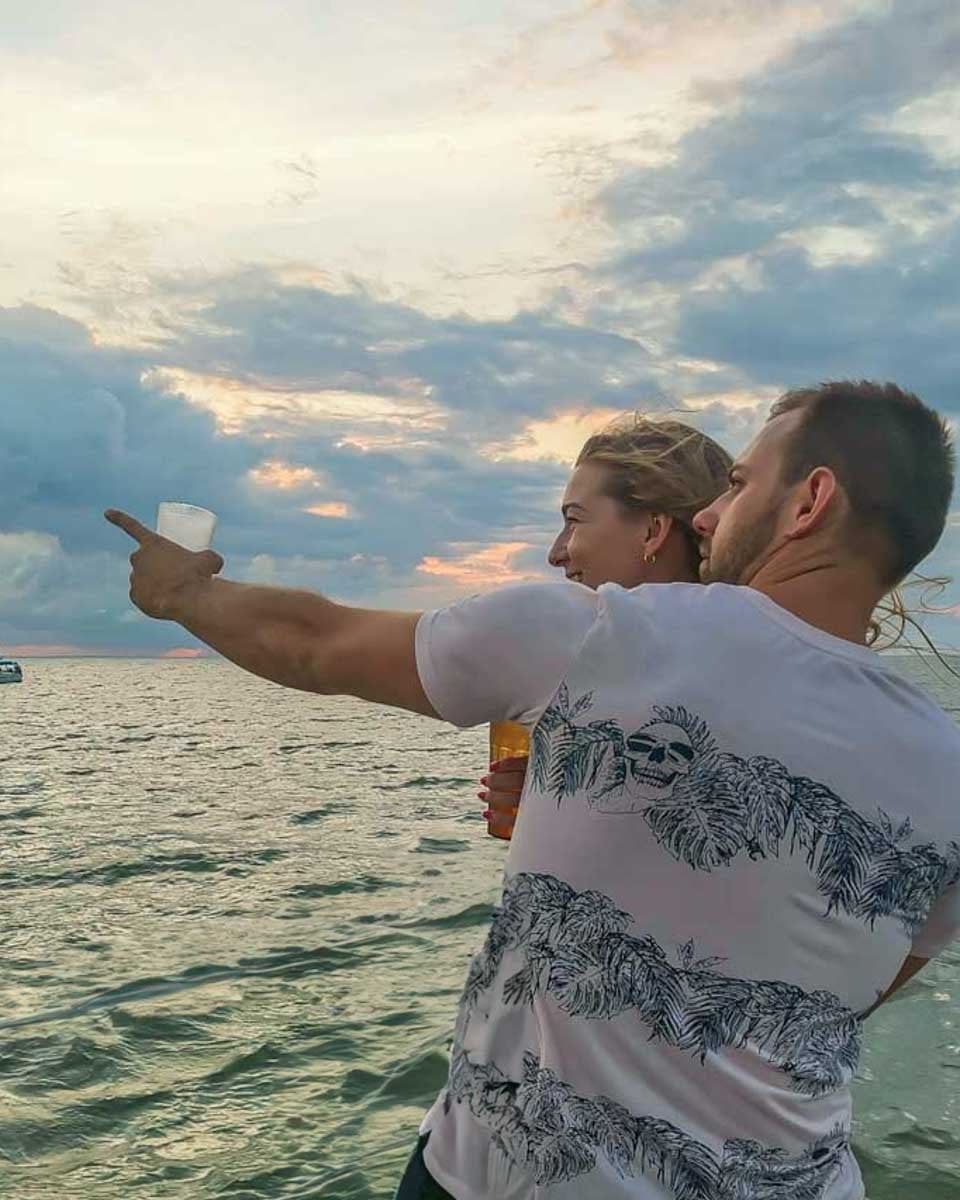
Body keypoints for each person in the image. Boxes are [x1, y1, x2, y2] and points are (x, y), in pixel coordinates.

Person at [106, 380, 960, 1200]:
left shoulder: (605, 635)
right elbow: (846, 993)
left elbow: (314, 643)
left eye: (737, 486)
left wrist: (185, 595)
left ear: (810, 502)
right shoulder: (946, 765)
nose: (709, 515)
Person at [481, 415, 733, 838]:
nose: (556, 554)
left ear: (652, 531)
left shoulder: (570, 653)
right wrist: (564, 806)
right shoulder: (755, 654)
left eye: (574, 521)